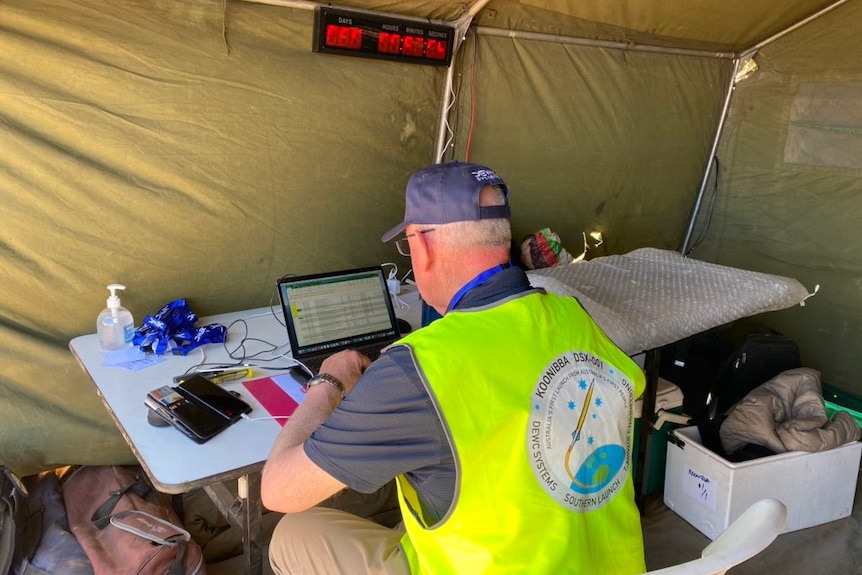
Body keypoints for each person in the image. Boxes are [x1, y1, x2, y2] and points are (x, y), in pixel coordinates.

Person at [261, 161, 646, 574]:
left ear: (422, 246)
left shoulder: (418, 368)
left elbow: (278, 489)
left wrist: (330, 380)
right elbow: (630, 392)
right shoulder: (571, 316)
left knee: (292, 532)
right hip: (609, 563)